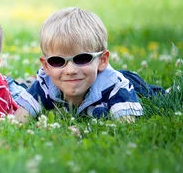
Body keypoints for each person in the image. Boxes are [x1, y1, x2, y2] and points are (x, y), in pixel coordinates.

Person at [14, 7, 144, 122]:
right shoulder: (44, 84)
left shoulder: (115, 86)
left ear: (102, 60)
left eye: (82, 59)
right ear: (46, 66)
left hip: (132, 83)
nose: (71, 70)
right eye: (57, 61)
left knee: (150, 91)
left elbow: (125, 125)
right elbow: (18, 120)